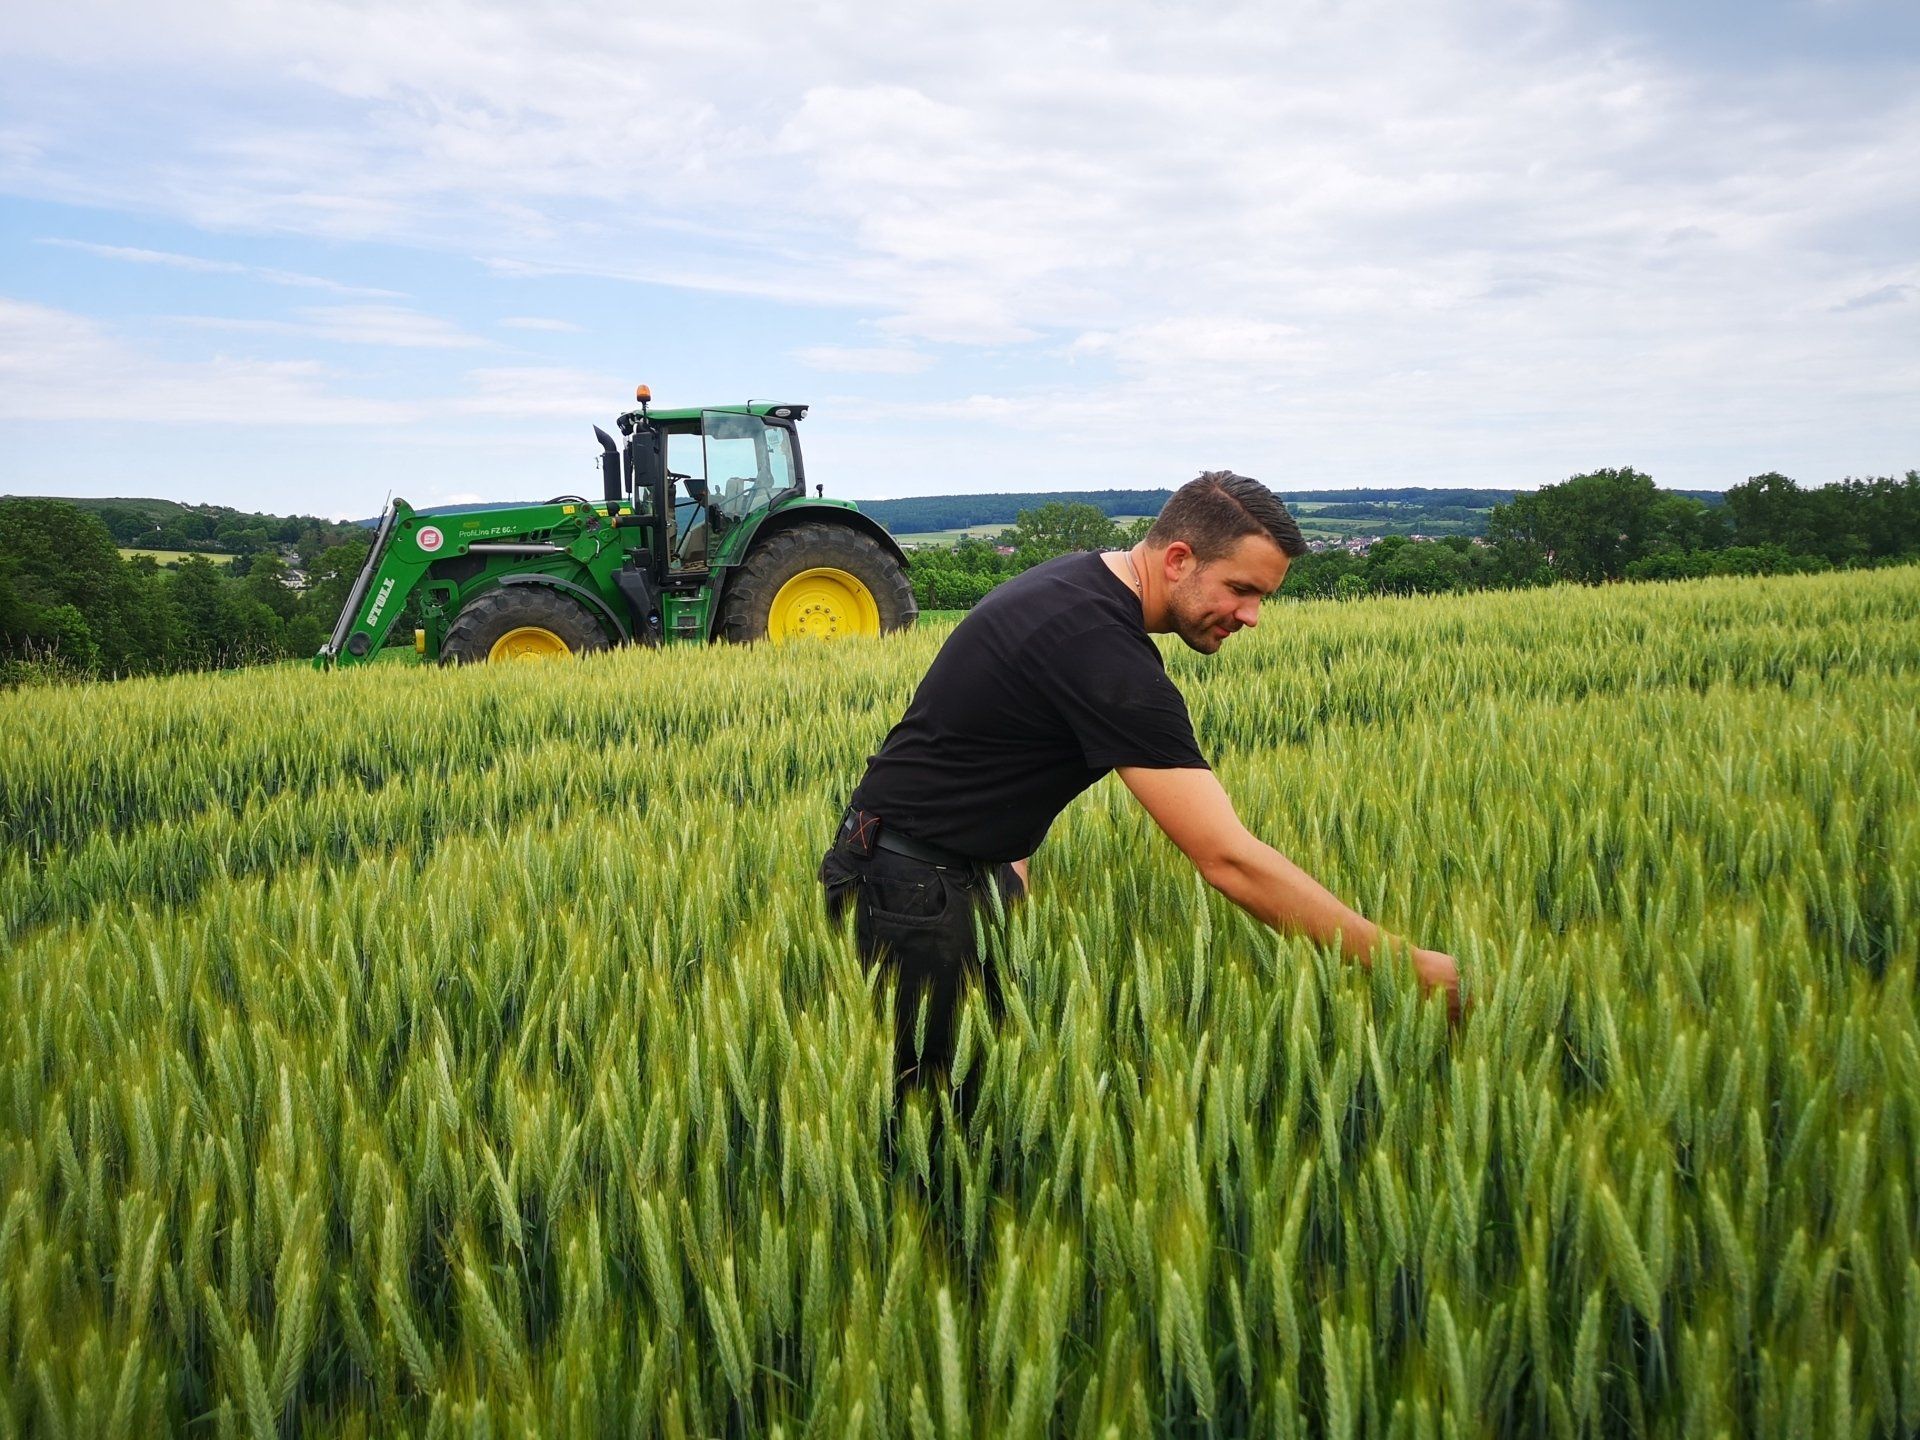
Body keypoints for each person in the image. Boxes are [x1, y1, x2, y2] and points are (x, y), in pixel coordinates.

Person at [818, 471, 1461, 1102]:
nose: (1252, 616)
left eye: (1263, 596)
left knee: (966, 1099)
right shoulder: (1102, 651)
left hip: (917, 868)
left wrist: (1006, 871)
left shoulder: (1075, 585)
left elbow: (987, 747)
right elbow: (1227, 858)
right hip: (913, 888)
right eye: (1241, 589)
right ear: (1178, 559)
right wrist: (1411, 968)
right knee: (936, 1114)